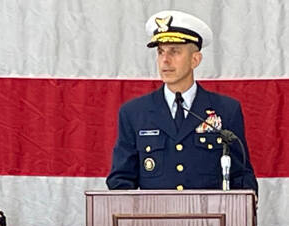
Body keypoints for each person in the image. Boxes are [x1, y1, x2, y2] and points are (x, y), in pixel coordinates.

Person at [106, 10, 258, 193]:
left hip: (210, 219)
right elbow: (121, 181)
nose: (165, 60)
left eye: (174, 51)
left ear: (195, 60)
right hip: (153, 219)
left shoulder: (226, 110)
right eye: (160, 52)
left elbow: (240, 177)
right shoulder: (134, 113)